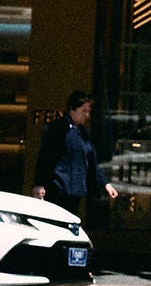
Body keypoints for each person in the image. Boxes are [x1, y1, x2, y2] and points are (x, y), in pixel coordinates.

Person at [32, 91, 117, 224]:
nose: (87, 115)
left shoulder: (83, 132)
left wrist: (105, 184)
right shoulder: (57, 129)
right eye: (83, 111)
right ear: (72, 109)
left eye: (88, 111)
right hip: (58, 188)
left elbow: (91, 162)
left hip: (75, 190)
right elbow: (45, 158)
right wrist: (39, 183)